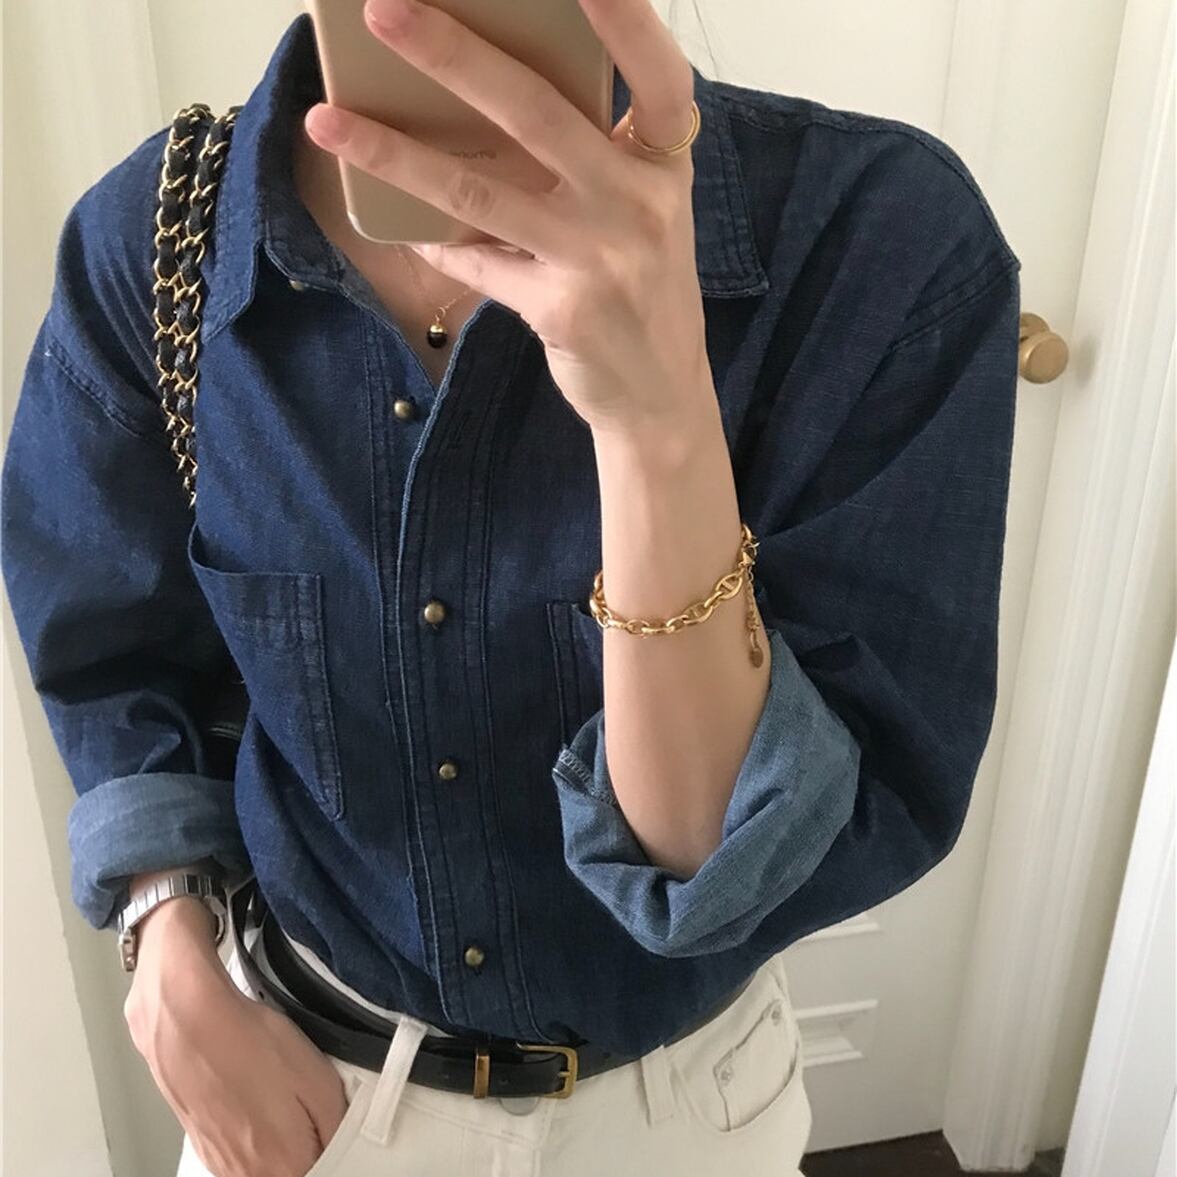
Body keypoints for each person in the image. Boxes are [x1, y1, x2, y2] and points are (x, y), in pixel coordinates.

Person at [0, 1, 1023, 1174]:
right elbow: (113, 645)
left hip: (678, 1116)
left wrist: (656, 424)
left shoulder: (877, 246)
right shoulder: (159, 238)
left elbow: (711, 856)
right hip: (309, 1093)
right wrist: (163, 926)